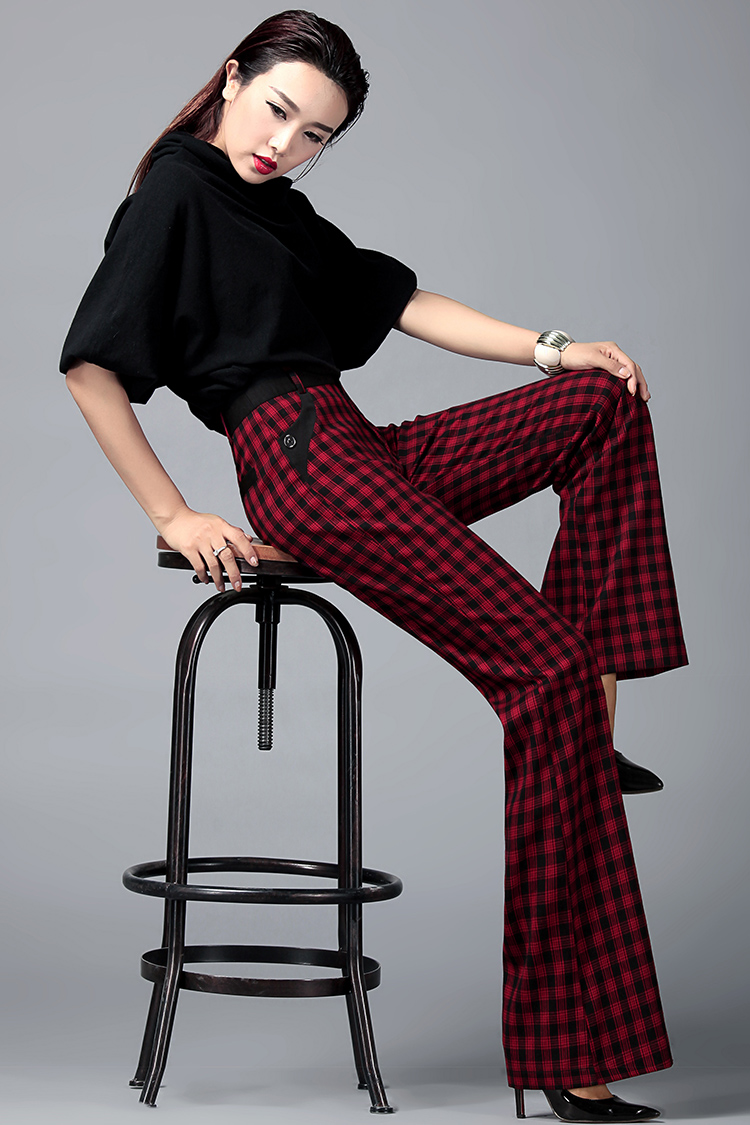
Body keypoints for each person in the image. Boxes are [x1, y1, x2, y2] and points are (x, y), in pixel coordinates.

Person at [59, 9, 688, 1122]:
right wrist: (173, 512)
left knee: (599, 403)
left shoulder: (279, 211)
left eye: (315, 135)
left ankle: (597, 695)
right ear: (231, 79)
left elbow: (404, 304)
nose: (284, 144)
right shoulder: (177, 193)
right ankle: (568, 1050)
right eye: (277, 111)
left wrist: (553, 349)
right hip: (302, 466)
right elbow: (90, 365)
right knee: (538, 675)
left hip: (362, 448)